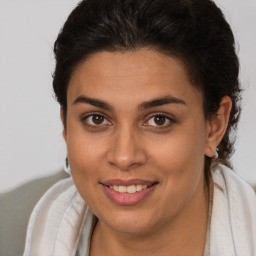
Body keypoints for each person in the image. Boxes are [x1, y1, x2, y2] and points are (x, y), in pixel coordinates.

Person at [23, 0, 256, 255]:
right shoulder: (8, 230)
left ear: (214, 126)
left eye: (159, 120)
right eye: (97, 119)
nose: (124, 157)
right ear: (66, 125)